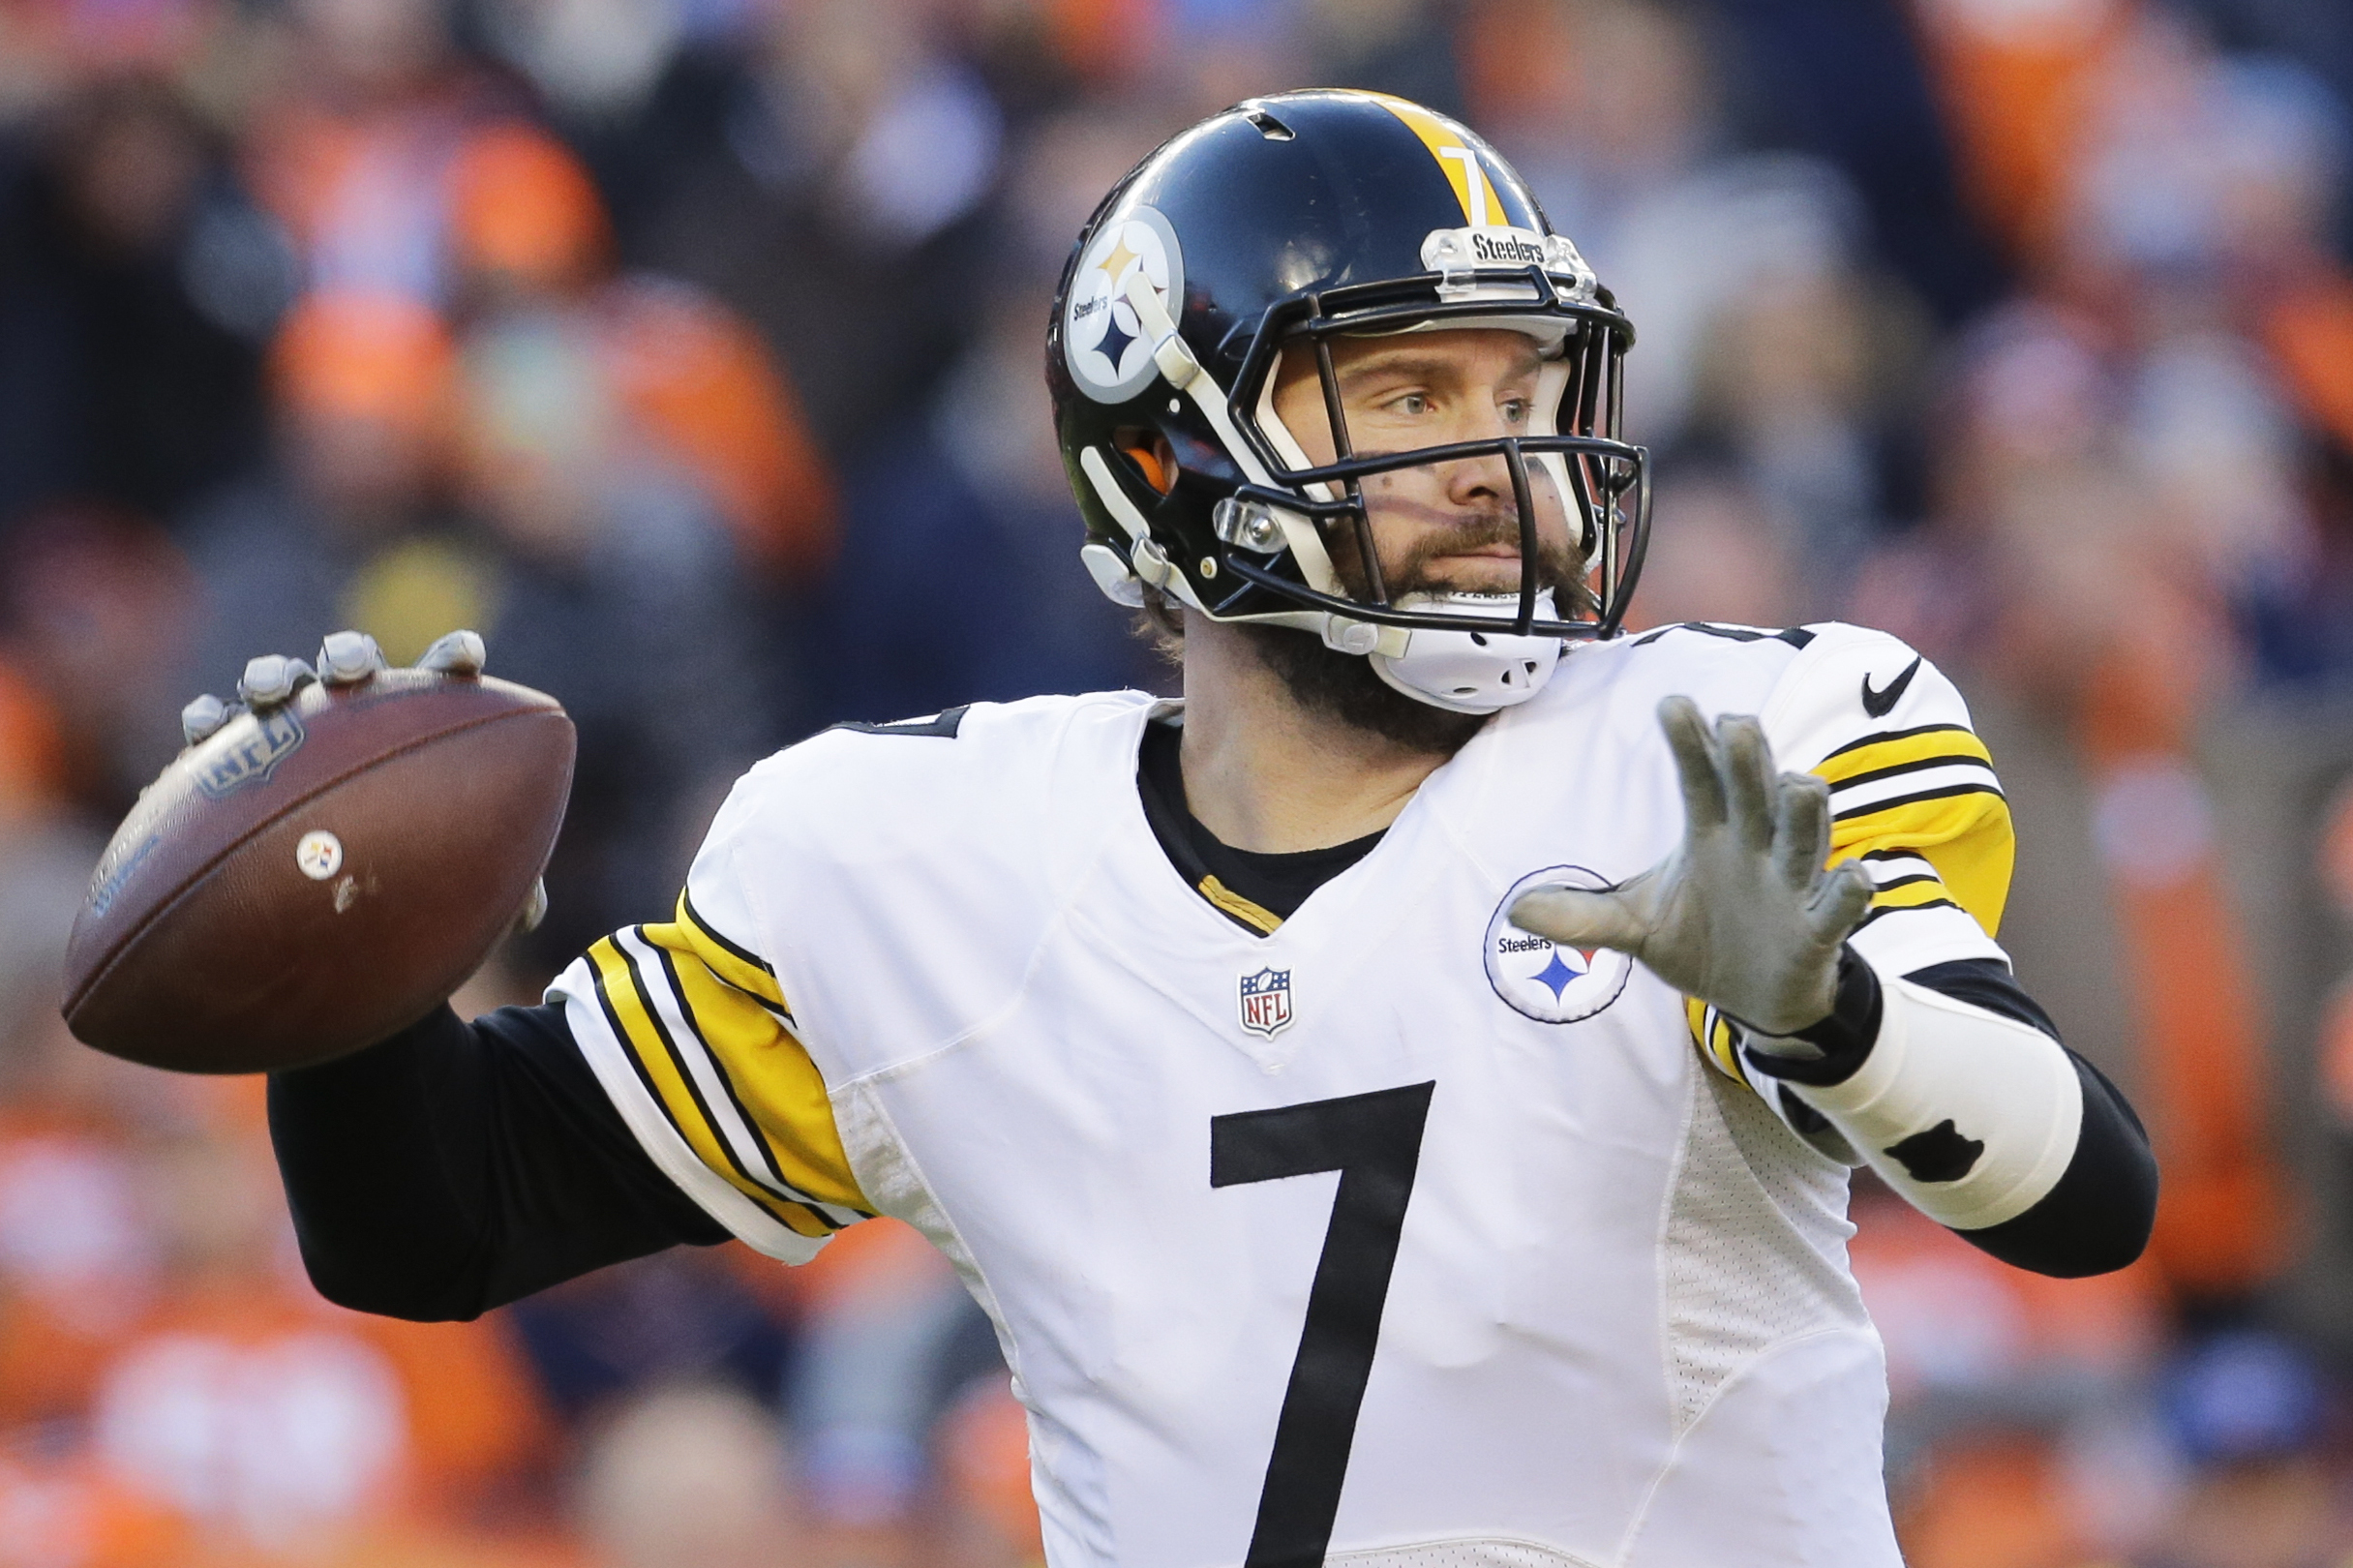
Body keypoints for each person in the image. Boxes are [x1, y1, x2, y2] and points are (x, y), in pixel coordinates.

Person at [179, 92, 2156, 1566]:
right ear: (1174, 459)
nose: (1502, 465)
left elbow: (2080, 1197)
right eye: (1403, 395)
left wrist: (1836, 1015)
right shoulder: (915, 855)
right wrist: (338, 952)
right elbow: (437, 1221)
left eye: (1522, 387)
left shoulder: (1732, 744)